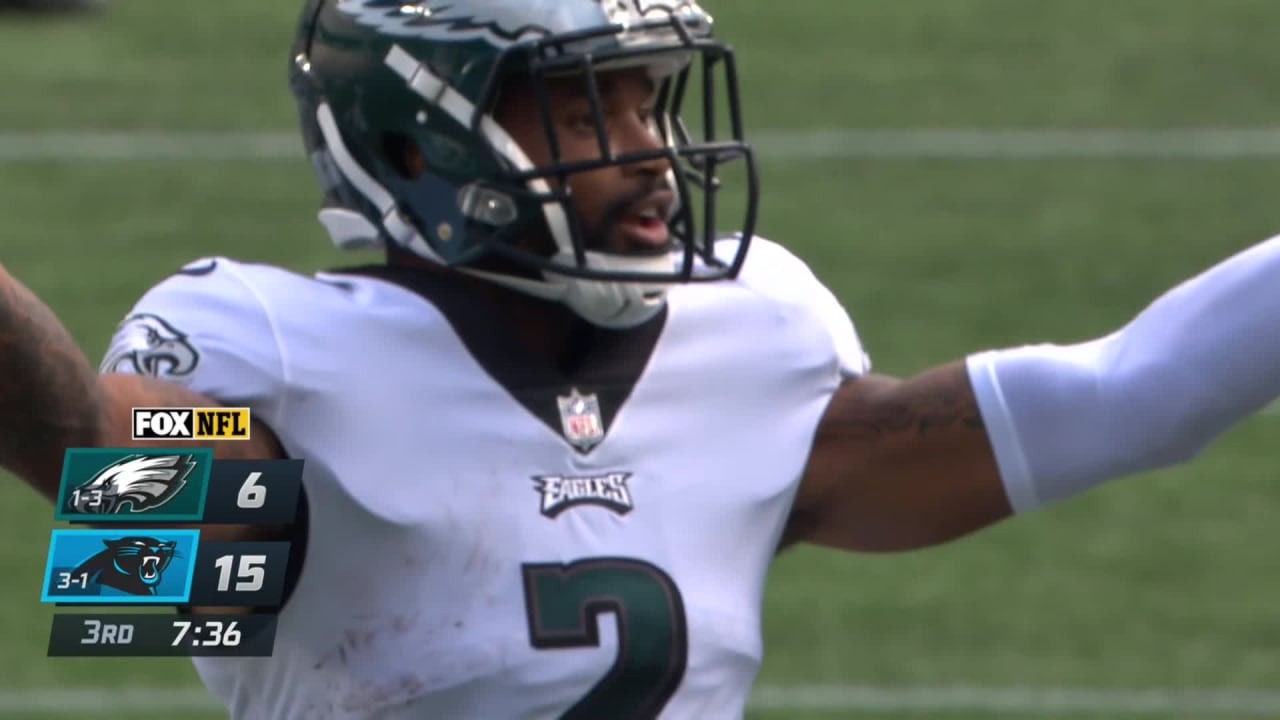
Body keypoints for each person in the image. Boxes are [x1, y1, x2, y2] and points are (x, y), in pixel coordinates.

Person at [2, 0, 1278, 717]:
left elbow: (1133, 401)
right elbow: (123, 504)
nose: (648, 150)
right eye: (580, 108)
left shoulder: (753, 343)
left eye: (646, 99)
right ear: (411, 152)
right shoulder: (269, 347)